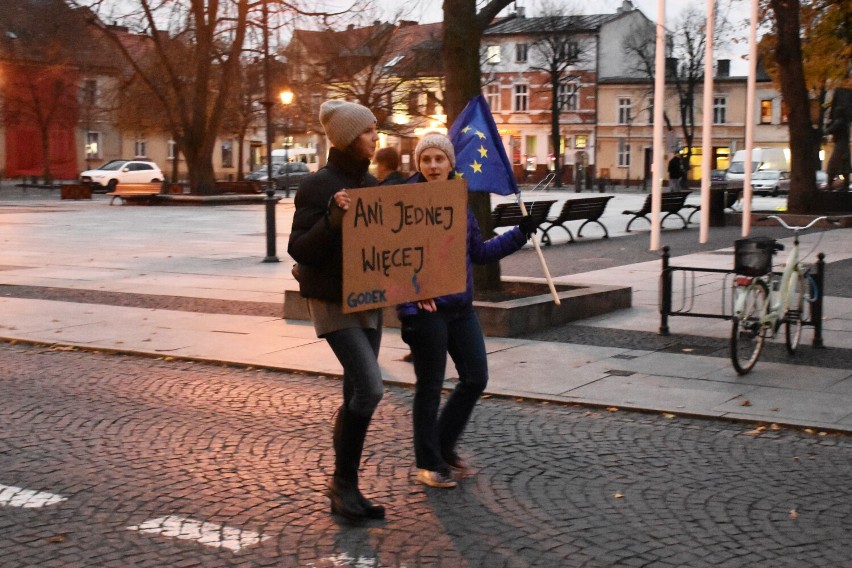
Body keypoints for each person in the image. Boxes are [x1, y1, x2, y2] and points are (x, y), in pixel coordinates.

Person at [397, 132, 537, 488]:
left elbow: (479, 252)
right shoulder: (403, 201)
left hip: (460, 309)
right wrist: (412, 296)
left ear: (450, 163)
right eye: (425, 159)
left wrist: (519, 234)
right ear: (418, 164)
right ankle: (428, 463)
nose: (432, 166)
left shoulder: (461, 202)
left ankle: (443, 444)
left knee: (475, 378)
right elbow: (393, 261)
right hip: (424, 313)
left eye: (438, 159)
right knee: (429, 387)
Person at [287, 100, 385, 521]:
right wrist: (331, 218)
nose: (375, 136)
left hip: (370, 300)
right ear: (348, 137)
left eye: (376, 129)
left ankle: (348, 488)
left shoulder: (374, 184)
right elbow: (299, 248)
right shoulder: (317, 186)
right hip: (331, 302)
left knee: (355, 392)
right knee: (371, 388)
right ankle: (341, 484)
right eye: (368, 130)